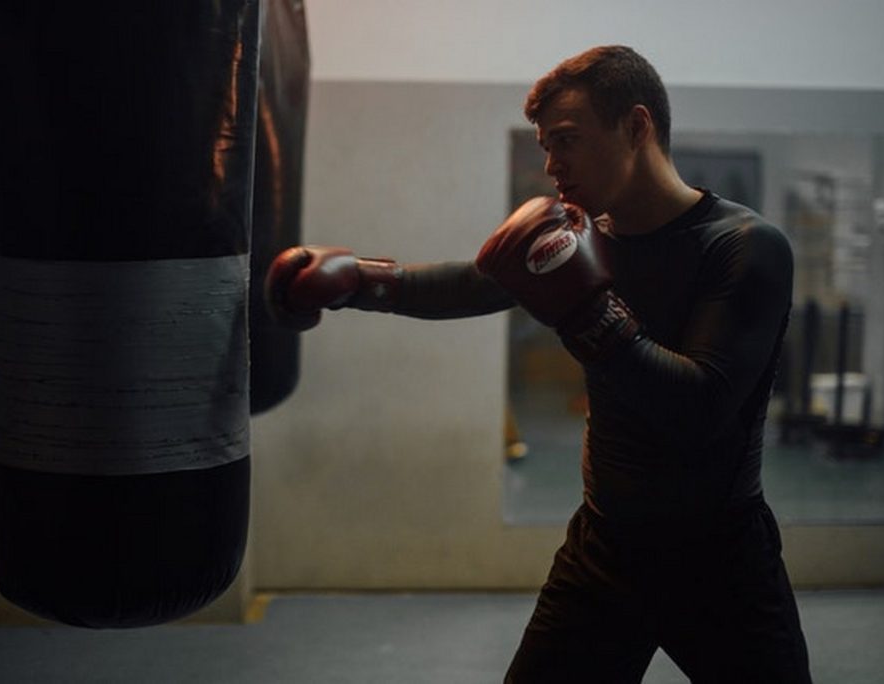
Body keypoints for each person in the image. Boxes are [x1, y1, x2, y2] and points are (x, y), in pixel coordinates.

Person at [265, 45, 812, 684]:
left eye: (566, 141)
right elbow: (474, 284)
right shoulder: (587, 240)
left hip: (722, 563)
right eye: (545, 145)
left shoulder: (745, 247)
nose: (551, 165)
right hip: (605, 554)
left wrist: (587, 314)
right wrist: (362, 280)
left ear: (637, 127)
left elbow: (698, 407)